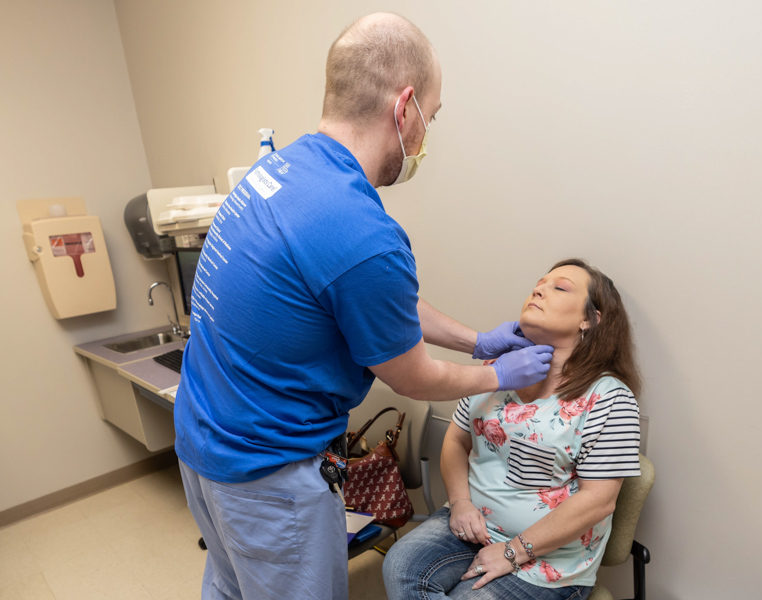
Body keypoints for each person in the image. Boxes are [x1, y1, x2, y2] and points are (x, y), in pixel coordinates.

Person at [174, 13, 555, 600]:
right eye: (431, 116)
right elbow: (409, 373)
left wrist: (476, 340)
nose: (426, 135)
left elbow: (368, 301)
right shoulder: (362, 232)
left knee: (229, 588)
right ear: (404, 109)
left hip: (204, 442)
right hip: (267, 473)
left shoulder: (279, 170)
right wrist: (497, 373)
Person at [383, 259, 642, 600]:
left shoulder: (609, 398)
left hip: (548, 556)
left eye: (559, 287)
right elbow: (456, 440)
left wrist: (513, 552)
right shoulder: (497, 372)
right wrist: (460, 503)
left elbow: (599, 501)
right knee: (400, 565)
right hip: (469, 523)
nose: (538, 289)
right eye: (540, 283)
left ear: (590, 320)